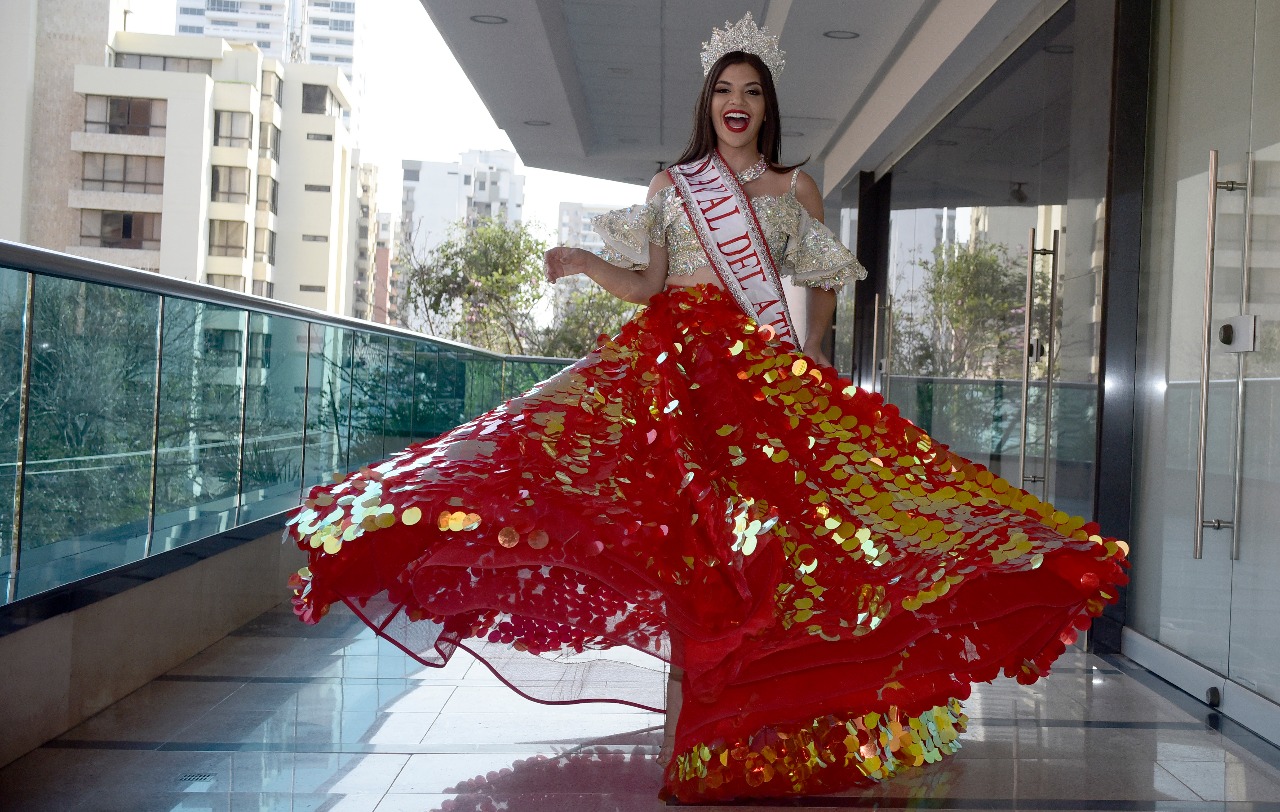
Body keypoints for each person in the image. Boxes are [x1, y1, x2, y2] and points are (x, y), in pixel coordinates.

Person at [287, 13, 1129, 803]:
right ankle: (694, 730)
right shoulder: (672, 184)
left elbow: (828, 277)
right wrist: (583, 259)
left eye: (753, 91)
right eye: (726, 90)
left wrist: (808, 356)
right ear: (709, 102)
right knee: (672, 536)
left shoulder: (796, 189)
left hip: (751, 377)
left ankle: (739, 732)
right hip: (670, 374)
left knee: (755, 549)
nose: (737, 104)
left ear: (768, 106)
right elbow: (649, 284)